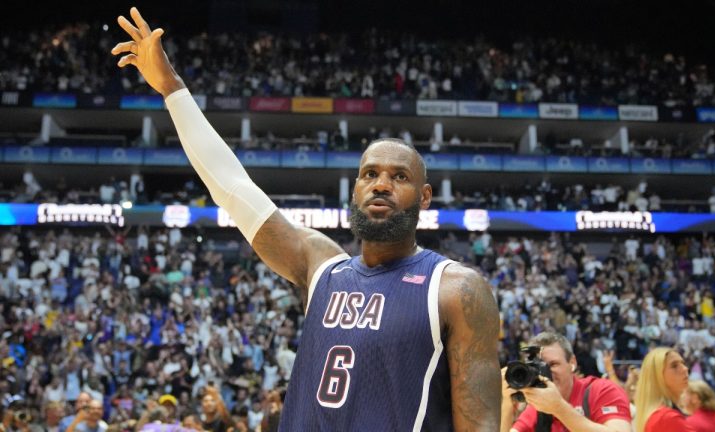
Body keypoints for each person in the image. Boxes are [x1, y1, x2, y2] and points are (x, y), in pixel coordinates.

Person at [112, 7, 500, 431]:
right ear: (354, 189)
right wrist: (172, 88)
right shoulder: (321, 267)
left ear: (424, 197)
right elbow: (234, 189)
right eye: (370, 174)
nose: (381, 185)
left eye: (399, 177)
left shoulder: (457, 289)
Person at [502, 332, 632, 432]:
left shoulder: (602, 390)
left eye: (553, 364)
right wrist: (506, 402)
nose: (545, 373)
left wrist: (559, 408)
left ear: (572, 363)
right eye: (537, 368)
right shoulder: (537, 407)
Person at [633, 347, 715, 432]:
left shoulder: (657, 415)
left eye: (683, 363)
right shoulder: (667, 418)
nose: (685, 369)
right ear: (657, 376)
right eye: (674, 366)